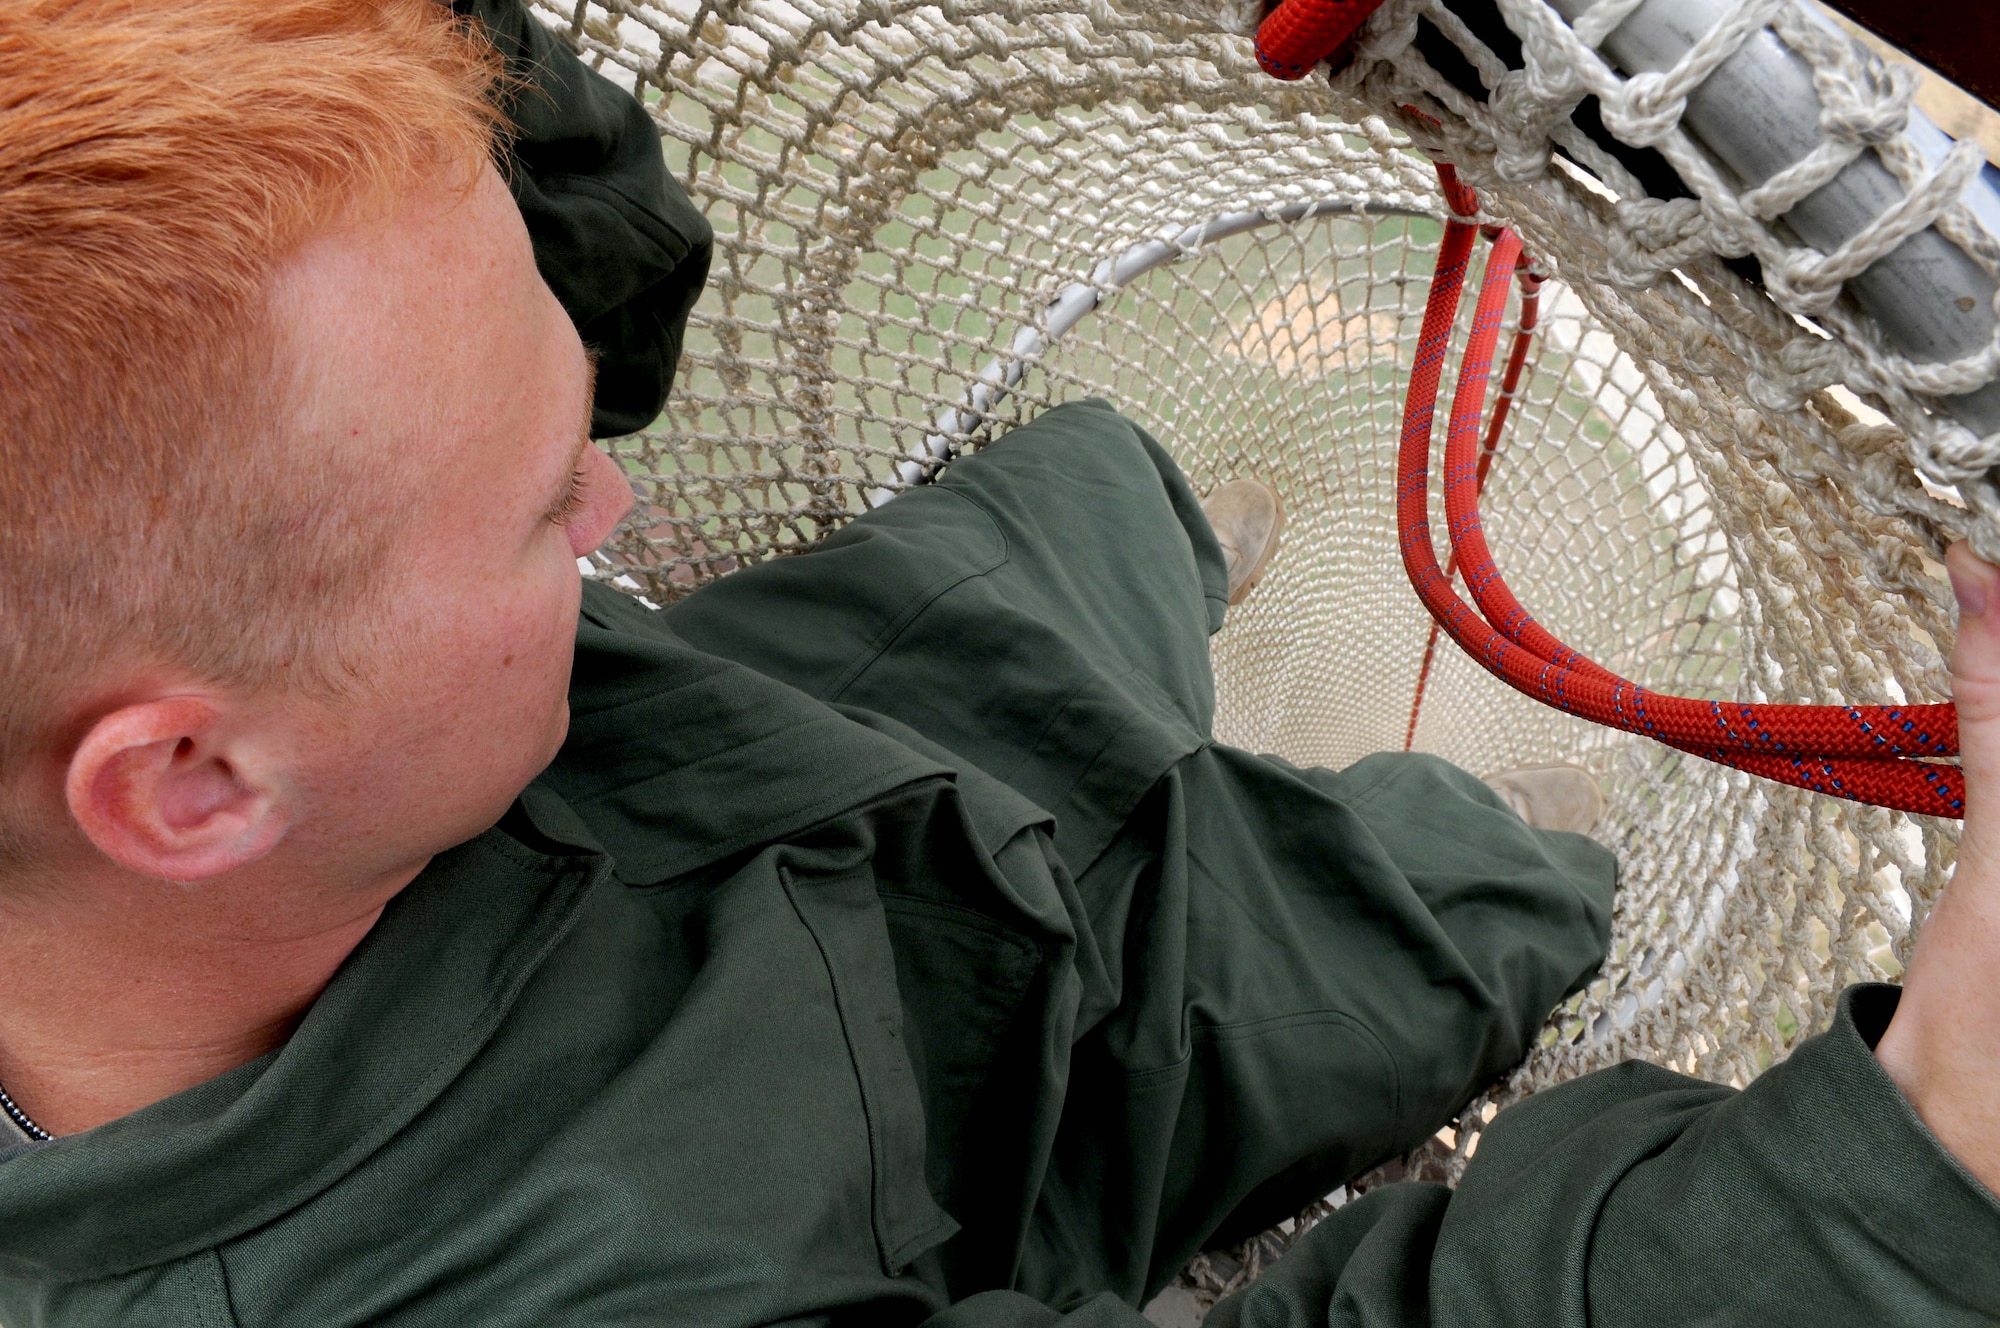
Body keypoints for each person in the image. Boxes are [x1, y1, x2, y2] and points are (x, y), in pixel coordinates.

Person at [0, 2, 1991, 1324]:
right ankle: (1420, 815)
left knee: (1101, 480)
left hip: (794, 738)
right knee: (1502, 883)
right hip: (1043, 1091)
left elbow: (564, 235)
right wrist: (1925, 1151)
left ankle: (1192, 556)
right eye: (542, 508)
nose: (611, 496)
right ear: (186, 782)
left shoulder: (235, 660)